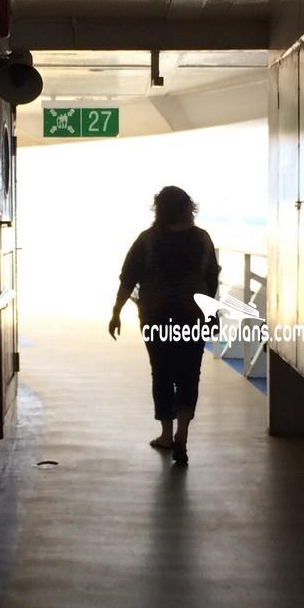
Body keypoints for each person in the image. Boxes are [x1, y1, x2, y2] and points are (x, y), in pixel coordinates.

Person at [108, 185, 221, 467]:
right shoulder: (202, 239)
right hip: (193, 316)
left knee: (162, 373)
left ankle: (167, 435)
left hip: (156, 317)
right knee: (189, 374)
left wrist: (116, 312)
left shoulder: (147, 240)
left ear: (159, 210)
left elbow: (128, 279)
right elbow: (211, 281)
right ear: (187, 208)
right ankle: (182, 434)